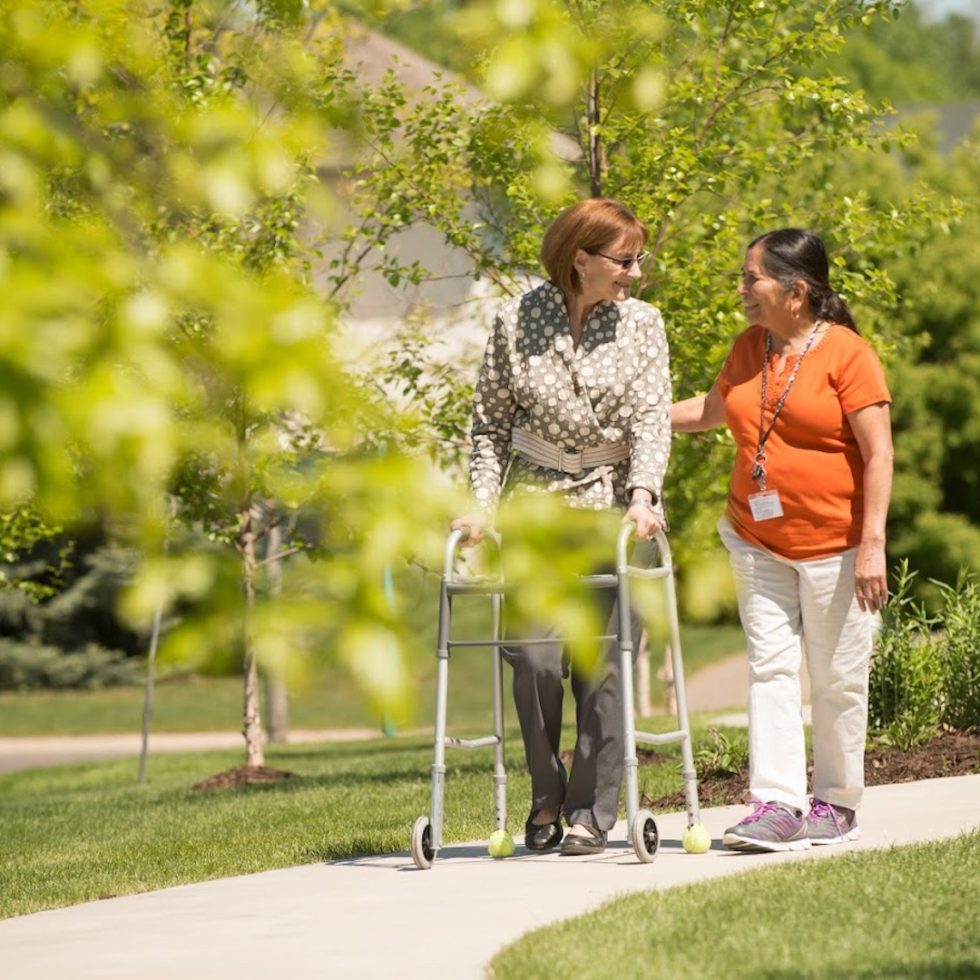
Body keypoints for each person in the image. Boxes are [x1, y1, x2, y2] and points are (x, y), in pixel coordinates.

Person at [451, 198, 671, 856]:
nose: (635, 271)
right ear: (581, 259)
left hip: (611, 506)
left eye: (638, 259)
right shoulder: (516, 320)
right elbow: (489, 426)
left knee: (602, 663)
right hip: (536, 509)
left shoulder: (643, 325)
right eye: (624, 260)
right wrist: (482, 506)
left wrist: (643, 494)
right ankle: (545, 791)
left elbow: (652, 420)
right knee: (535, 660)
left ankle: (591, 812)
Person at [672, 228, 893, 852]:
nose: (741, 289)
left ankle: (837, 801)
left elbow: (879, 455)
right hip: (755, 537)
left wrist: (871, 545)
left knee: (835, 679)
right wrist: (638, 419)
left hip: (837, 543)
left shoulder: (849, 354)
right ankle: (776, 802)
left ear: (796, 291)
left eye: (751, 279)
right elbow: (712, 411)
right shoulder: (750, 348)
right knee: (769, 669)